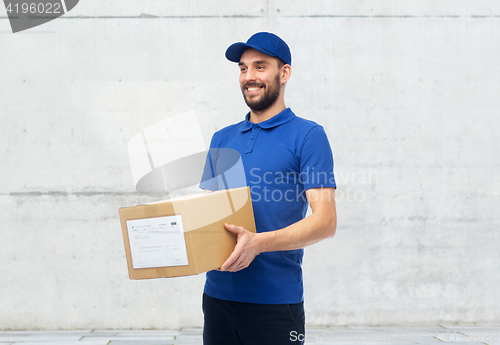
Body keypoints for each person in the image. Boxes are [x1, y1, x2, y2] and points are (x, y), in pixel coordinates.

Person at [199, 32, 337, 345]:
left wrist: (258, 243)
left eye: (260, 67)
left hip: (275, 302)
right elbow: (207, 214)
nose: (249, 77)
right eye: (243, 68)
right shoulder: (222, 138)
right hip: (217, 298)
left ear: (284, 73)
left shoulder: (308, 135)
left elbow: (326, 221)